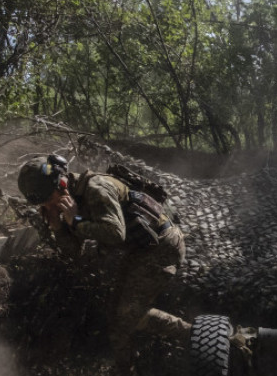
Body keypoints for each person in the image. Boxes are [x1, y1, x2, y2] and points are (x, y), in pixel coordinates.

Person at [17, 154, 192, 364]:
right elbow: (73, 253)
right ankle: (124, 374)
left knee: (128, 313)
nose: (47, 204)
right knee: (115, 315)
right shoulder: (70, 201)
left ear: (61, 184)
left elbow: (115, 233)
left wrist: (75, 222)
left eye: (47, 198)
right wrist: (57, 225)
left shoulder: (96, 188)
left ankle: (197, 336)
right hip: (140, 249)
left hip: (162, 245)